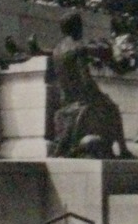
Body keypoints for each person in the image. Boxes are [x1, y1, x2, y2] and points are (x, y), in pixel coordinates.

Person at [45, 12, 128, 158]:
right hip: (82, 96)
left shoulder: (56, 50)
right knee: (113, 109)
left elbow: (53, 79)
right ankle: (123, 149)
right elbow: (84, 77)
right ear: (77, 27)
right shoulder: (78, 47)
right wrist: (95, 94)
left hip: (66, 98)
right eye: (80, 26)